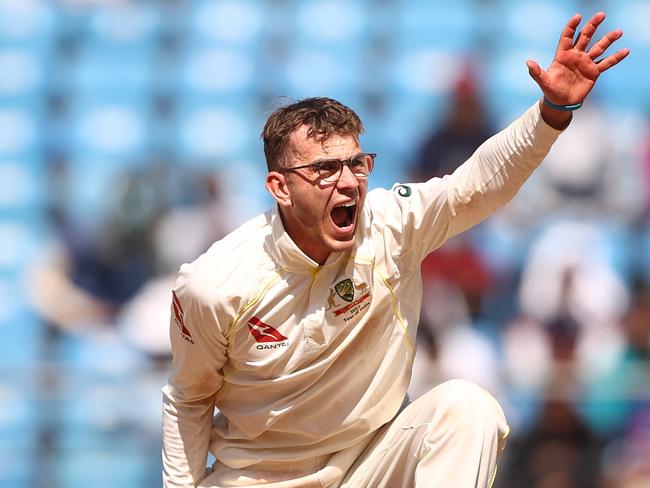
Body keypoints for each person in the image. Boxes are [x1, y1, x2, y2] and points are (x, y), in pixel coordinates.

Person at [162, 12, 628, 488]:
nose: (348, 183)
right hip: (260, 479)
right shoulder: (213, 284)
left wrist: (551, 113)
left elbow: (475, 186)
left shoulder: (390, 224)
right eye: (325, 169)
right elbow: (188, 400)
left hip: (373, 466)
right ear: (279, 187)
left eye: (357, 164)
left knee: (468, 409)